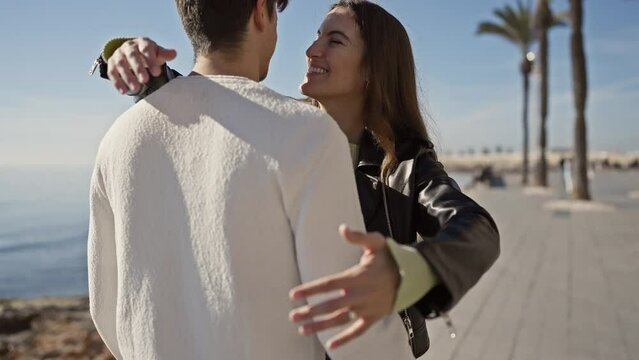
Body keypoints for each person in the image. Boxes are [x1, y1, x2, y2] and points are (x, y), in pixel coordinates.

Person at [97, 0, 500, 357]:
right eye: (315, 36)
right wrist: (133, 60)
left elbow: (478, 232)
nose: (310, 50)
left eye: (334, 41)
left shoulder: (408, 165)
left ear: (373, 71)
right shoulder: (291, 132)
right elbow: (212, 107)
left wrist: (407, 272)